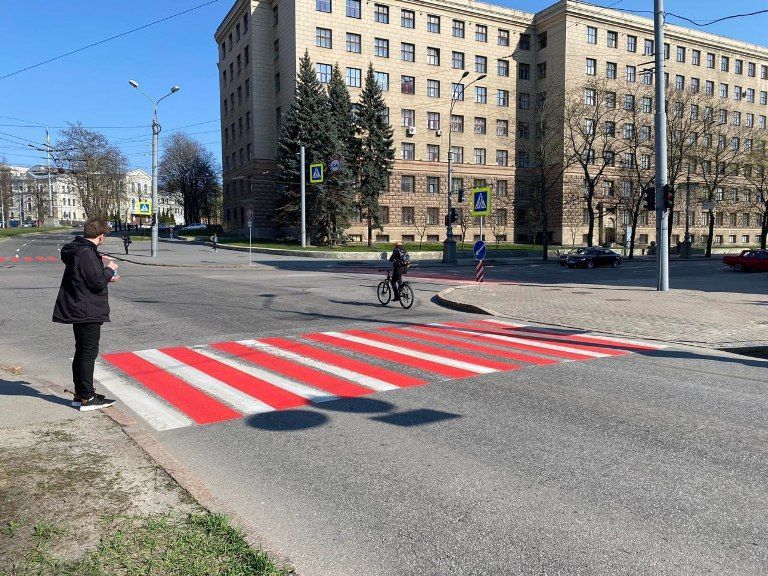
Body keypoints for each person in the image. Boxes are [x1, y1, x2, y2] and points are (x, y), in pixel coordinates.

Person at [53, 218, 119, 411]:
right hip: (86, 310)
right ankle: (87, 397)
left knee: (82, 352)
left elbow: (87, 278)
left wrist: (107, 277)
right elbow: (96, 283)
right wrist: (109, 270)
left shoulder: (80, 250)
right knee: (88, 353)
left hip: (81, 306)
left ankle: (81, 394)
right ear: (101, 236)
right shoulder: (86, 253)